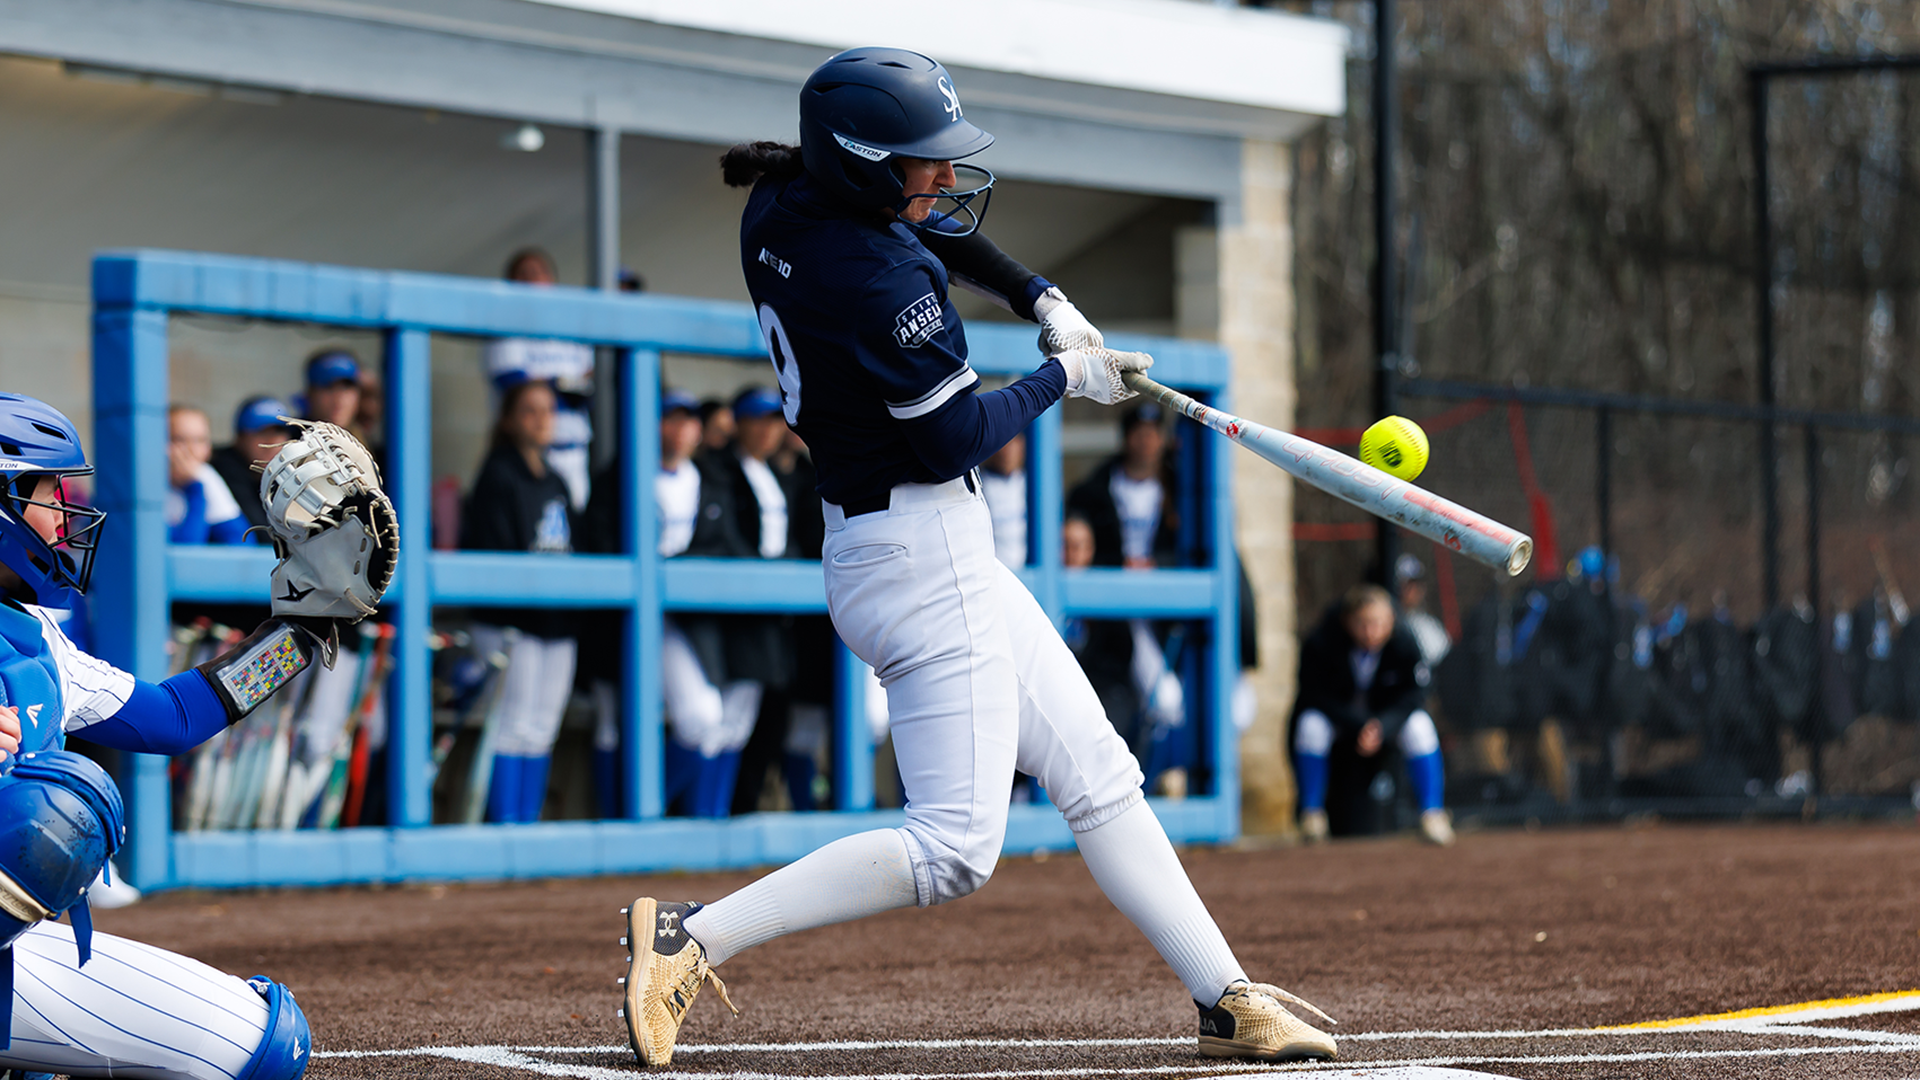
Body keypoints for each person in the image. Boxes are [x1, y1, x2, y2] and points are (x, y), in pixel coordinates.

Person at [619, 47, 1336, 1067]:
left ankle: (1225, 992)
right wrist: (1063, 377)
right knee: (954, 849)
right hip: (923, 552)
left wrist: (1040, 295)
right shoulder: (880, 278)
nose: (945, 178)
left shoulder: (784, 200)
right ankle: (695, 939)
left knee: (1098, 773)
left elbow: (930, 230)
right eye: (924, 162)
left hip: (896, 544)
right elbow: (954, 437)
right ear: (866, 164)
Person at [0, 393, 311, 1079]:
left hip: (10, 954)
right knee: (50, 806)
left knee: (271, 1043)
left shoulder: (36, 641)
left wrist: (305, 630)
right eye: (47, 492)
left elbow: (172, 718)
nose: (65, 513)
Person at [458, 380, 577, 824]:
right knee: (513, 726)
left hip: (556, 624)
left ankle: (527, 824)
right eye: (530, 410)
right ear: (509, 420)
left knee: (543, 728)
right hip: (510, 623)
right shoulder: (498, 474)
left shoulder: (557, 479)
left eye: (548, 410)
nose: (542, 419)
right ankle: (507, 824)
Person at [1292, 584, 1453, 847]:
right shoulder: (1322, 642)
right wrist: (1359, 725)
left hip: (1385, 721)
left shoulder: (1404, 641)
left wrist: (1382, 726)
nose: (1370, 632)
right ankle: (1312, 816)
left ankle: (1433, 815)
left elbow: (1414, 696)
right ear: (1347, 621)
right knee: (1310, 725)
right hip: (1342, 719)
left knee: (1420, 727)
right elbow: (1314, 695)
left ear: (1391, 620)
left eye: (1378, 623)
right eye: (1362, 623)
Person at [482, 248, 596, 511]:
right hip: (526, 455)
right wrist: (564, 385)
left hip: (575, 452)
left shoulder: (570, 332)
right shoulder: (504, 329)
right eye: (524, 274)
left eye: (539, 272)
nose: (533, 280)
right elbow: (522, 392)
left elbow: (588, 392)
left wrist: (553, 383)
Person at [1068, 402, 1181, 569]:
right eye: (1139, 434)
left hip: (1165, 585)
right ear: (1126, 437)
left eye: (1152, 434)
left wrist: (1158, 563)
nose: (1146, 442)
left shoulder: (1179, 490)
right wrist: (1119, 563)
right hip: (1109, 584)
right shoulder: (1094, 491)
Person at [210, 396, 299, 534]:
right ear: (240, 438)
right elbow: (263, 532)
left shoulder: (292, 472)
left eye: (278, 432)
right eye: (262, 432)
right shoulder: (223, 467)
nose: (271, 442)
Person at [165, 405, 249, 545]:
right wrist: (194, 489)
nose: (191, 450)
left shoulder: (204, 474)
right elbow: (186, 548)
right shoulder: (148, 480)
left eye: (200, 440)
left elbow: (241, 541)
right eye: (179, 439)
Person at [1394, 553, 1451, 667]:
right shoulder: (1381, 624)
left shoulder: (1428, 625)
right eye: (1405, 585)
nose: (1412, 591)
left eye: (1415, 585)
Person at [980, 431, 1027, 567]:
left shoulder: (1033, 486)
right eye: (1005, 444)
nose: (1008, 451)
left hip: (1027, 572)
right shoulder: (980, 485)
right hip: (994, 571)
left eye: (1013, 443)